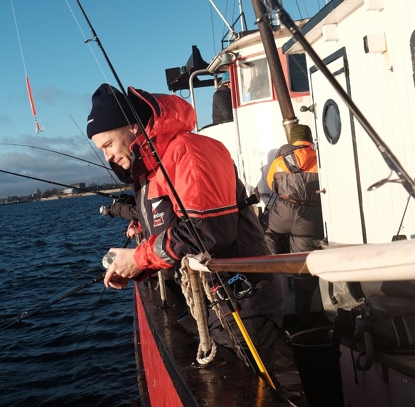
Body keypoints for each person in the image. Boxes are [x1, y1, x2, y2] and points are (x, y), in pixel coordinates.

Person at [86, 83, 283, 370]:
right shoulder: (153, 169)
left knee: (257, 388)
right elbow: (170, 232)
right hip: (216, 301)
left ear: (132, 128)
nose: (108, 157)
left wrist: (139, 257)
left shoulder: (189, 152)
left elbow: (207, 230)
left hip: (242, 301)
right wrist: (138, 267)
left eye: (108, 145)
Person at [263, 123, 325, 327]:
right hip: (310, 219)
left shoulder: (280, 161)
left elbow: (272, 185)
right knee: (303, 264)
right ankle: (303, 315)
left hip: (283, 213)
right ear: (309, 139)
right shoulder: (321, 158)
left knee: (268, 235)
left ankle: (274, 272)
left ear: (293, 140)